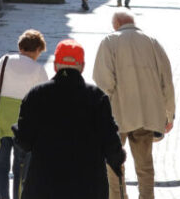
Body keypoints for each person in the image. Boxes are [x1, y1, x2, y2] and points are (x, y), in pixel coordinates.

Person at [14, 39, 127, 199]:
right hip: (88, 187)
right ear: (82, 66)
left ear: (55, 66)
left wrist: (17, 130)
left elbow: (24, 141)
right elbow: (110, 142)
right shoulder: (97, 97)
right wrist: (118, 158)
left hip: (44, 185)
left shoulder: (36, 94)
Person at [93, 12, 175, 199]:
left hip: (116, 115)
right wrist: (169, 114)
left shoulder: (109, 42)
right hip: (146, 116)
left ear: (117, 24)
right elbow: (167, 82)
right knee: (145, 166)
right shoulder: (152, 42)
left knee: (113, 164)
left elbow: (104, 83)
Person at [0, 30, 51, 199]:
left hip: (0, 121)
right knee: (21, 169)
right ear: (37, 50)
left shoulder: (5, 61)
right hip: (26, 125)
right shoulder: (38, 69)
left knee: (0, 167)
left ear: (20, 47)